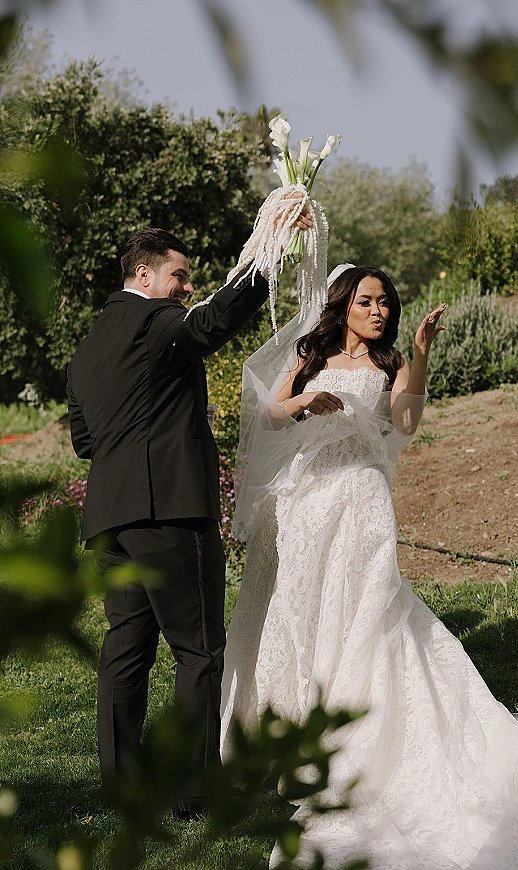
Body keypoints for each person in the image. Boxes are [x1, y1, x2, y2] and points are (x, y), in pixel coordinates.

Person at [221, 264, 518, 868]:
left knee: (364, 611)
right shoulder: (311, 353)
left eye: (386, 302)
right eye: (367, 301)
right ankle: (285, 732)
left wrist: (419, 354)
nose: (379, 310)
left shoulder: (389, 364)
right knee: (296, 612)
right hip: (305, 504)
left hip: (359, 502)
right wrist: (303, 401)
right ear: (344, 304)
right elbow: (269, 416)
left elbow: (406, 424)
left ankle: (354, 737)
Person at [66, 203, 311, 822]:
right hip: (169, 511)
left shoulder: (88, 349)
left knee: (126, 650)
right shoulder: (156, 322)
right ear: (144, 275)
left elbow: (86, 443)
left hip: (111, 521)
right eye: (179, 276)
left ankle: (125, 787)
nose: (187, 287)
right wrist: (271, 252)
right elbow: (214, 323)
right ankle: (197, 792)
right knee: (199, 649)